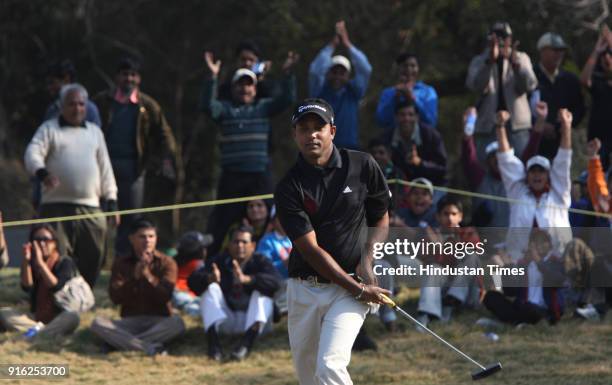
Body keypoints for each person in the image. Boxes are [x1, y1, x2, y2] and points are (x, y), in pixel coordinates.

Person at [275, 98, 391, 384]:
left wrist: (367, 260)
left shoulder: (362, 164)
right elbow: (311, 250)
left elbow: (380, 218)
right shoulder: (289, 186)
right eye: (304, 128)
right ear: (295, 135)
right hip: (306, 289)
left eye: (319, 127)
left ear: (333, 131)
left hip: (350, 288)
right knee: (310, 378)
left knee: (329, 366)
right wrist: (359, 288)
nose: (311, 134)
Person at [200, 50, 297, 256]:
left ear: (255, 88)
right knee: (223, 221)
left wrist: (287, 73)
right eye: (241, 84)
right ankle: (213, 263)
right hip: (232, 177)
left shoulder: (263, 107)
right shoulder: (225, 109)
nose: (245, 88)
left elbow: (287, 99)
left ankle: (267, 258)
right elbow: (207, 106)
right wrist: (212, 78)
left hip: (259, 175)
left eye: (249, 84)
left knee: (270, 218)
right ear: (234, 88)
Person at [24, 83, 118, 288]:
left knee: (94, 253)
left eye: (81, 104)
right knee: (55, 256)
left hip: (90, 207)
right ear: (61, 106)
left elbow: (105, 169)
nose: (77, 108)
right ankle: (54, 296)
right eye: (71, 104)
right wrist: (43, 173)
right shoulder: (49, 129)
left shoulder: (95, 132)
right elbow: (32, 153)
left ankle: (84, 294)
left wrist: (111, 200)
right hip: (55, 206)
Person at [93, 57, 178, 255]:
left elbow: (166, 136)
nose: (128, 79)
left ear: (138, 79)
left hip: (134, 169)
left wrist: (160, 161)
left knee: (130, 220)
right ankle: (99, 260)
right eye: (124, 74)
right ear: (117, 77)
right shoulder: (102, 102)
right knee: (100, 217)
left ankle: (124, 264)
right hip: (102, 168)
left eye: (133, 75)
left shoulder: (148, 106)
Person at [91, 219, 185, 356]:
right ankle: (150, 347)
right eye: (142, 236)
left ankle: (120, 344)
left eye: (151, 236)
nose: (147, 241)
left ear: (156, 239)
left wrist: (147, 276)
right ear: (131, 239)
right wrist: (134, 278)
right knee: (97, 324)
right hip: (130, 321)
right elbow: (115, 297)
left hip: (159, 320)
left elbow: (165, 295)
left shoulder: (167, 263)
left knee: (178, 323)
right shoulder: (121, 263)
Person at [188, 225, 281, 361]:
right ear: (229, 245)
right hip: (227, 320)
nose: (240, 246)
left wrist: (249, 280)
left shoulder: (261, 261)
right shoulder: (219, 261)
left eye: (244, 242)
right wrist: (210, 279)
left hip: (255, 323)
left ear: (253, 245)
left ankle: (245, 345)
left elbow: (276, 282)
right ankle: (213, 345)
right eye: (236, 242)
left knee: (263, 295)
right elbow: (192, 281)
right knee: (211, 289)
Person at [495, 108, 573, 262]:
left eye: (541, 172)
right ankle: (494, 288)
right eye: (533, 171)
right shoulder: (518, 192)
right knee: (495, 263)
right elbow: (506, 159)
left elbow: (564, 159)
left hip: (556, 267)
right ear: (527, 175)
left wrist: (566, 127)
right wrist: (500, 127)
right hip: (521, 264)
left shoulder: (559, 194)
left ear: (548, 176)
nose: (537, 175)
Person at [466, 22, 538, 162]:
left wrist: (515, 65)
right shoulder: (480, 61)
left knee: (521, 166)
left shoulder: (521, 58)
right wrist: (489, 62)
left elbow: (529, 85)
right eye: (495, 37)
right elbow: (475, 86)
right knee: (487, 169)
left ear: (510, 40)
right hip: (488, 127)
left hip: (517, 127)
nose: (499, 41)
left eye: (503, 37)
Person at [0, 224, 80, 339]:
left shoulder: (65, 262)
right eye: (37, 240)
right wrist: (27, 261)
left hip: (59, 315)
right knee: (5, 313)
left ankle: (36, 333)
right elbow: (27, 287)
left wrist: (41, 263)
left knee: (73, 317)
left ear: (54, 242)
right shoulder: (33, 263)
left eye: (46, 240)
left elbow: (55, 286)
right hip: (36, 317)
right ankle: (42, 332)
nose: (42, 244)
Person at [415, 195, 483, 329]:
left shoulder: (468, 233)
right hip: (442, 290)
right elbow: (426, 262)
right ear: (438, 217)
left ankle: (452, 301)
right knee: (433, 268)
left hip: (469, 292)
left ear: (460, 216)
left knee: (471, 255)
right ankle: (427, 313)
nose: (450, 218)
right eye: (445, 214)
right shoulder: (430, 234)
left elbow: (468, 260)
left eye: (454, 214)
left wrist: (441, 247)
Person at [309, 20, 372, 149]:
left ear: (348, 76)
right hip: (324, 147)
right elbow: (315, 71)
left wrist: (347, 44)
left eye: (342, 73)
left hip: (350, 147)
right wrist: (332, 45)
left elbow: (366, 69)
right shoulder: (320, 92)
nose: (337, 76)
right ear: (328, 73)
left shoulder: (354, 92)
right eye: (334, 71)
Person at [482, 229, 565, 325]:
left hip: (543, 309)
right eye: (536, 241)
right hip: (523, 306)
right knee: (491, 297)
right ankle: (517, 321)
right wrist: (508, 266)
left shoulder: (555, 262)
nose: (540, 245)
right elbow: (510, 292)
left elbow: (556, 280)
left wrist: (538, 260)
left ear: (550, 246)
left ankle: (513, 320)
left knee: (528, 308)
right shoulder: (524, 264)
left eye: (544, 241)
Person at [532, 32, 585, 159]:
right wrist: (538, 125)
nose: (559, 54)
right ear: (542, 51)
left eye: (561, 50)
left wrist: (565, 125)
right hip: (534, 144)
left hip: (561, 143)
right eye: (554, 50)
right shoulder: (530, 76)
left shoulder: (570, 79)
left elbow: (580, 108)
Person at [376, 52, 438, 136]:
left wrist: (412, 98)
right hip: (392, 141)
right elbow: (381, 121)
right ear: (399, 69)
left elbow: (431, 121)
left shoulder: (428, 92)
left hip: (422, 140)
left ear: (418, 68)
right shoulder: (388, 93)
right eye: (405, 66)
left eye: (413, 66)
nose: (409, 69)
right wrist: (395, 98)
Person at [388, 100, 447, 187]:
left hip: (433, 187)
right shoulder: (386, 137)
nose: (406, 118)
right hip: (400, 190)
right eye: (402, 115)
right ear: (396, 117)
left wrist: (420, 163)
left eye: (410, 115)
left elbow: (442, 168)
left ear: (417, 117)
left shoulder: (432, 136)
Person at [581, 25, 612, 169]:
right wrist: (596, 51)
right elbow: (584, 80)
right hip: (597, 139)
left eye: (610, 55)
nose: (607, 59)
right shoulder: (598, 82)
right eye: (604, 57)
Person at [256, 207, 292, 314]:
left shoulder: (296, 237)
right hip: (278, 285)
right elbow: (264, 269)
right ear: (273, 221)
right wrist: (285, 263)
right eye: (281, 217)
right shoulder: (266, 241)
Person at [43, 59, 101, 126]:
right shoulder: (52, 109)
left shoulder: (89, 109)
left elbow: (95, 134)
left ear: (66, 79)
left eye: (52, 82)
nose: (48, 87)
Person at [172, 231, 213, 316]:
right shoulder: (199, 265)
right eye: (204, 247)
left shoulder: (172, 262)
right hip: (186, 299)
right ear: (200, 251)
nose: (206, 250)